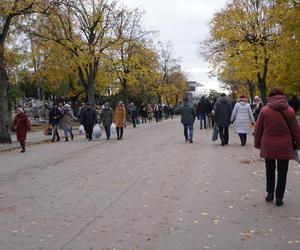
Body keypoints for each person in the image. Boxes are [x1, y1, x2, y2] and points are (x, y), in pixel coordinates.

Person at [254, 88, 300, 206]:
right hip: (285, 146)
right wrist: (298, 145)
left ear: (270, 97)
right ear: (282, 96)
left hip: (268, 145)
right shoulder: (290, 111)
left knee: (269, 170)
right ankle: (279, 198)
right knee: (282, 172)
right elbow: (296, 130)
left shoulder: (264, 111)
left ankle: (270, 194)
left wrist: (257, 143)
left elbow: (258, 128)